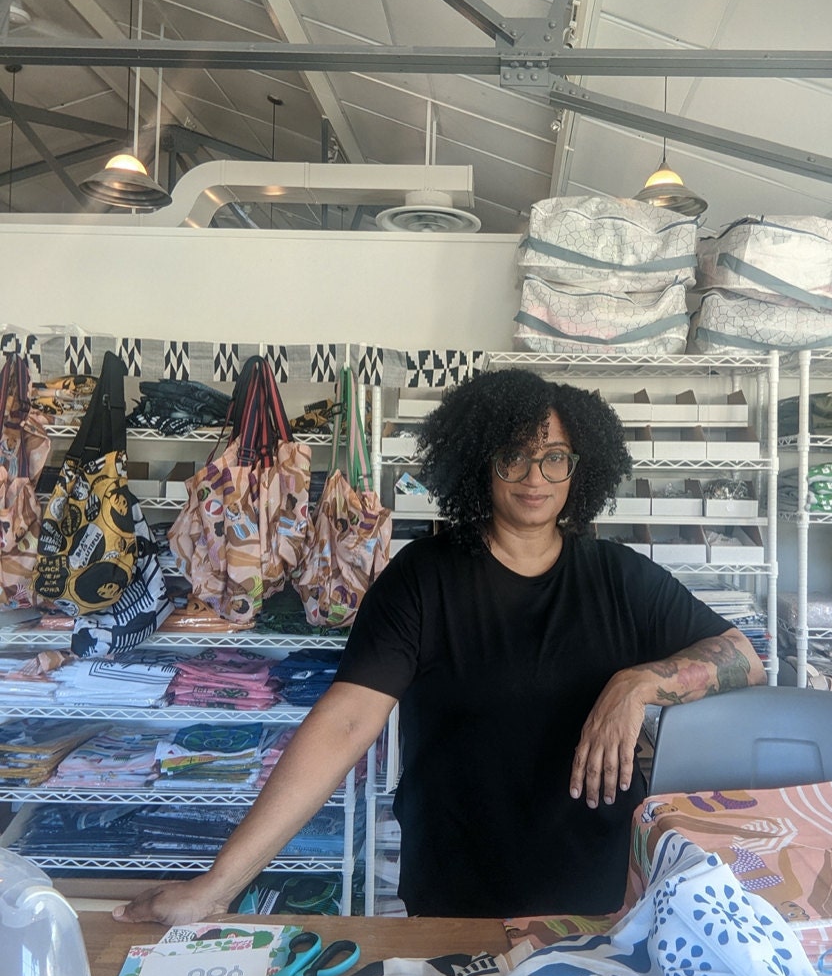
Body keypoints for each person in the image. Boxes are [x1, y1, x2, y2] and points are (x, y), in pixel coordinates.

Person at [115, 369, 765, 925]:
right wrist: (217, 887)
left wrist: (639, 684)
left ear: (578, 468)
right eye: (513, 455)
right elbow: (344, 722)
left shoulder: (621, 578)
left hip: (600, 895)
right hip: (455, 891)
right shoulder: (424, 577)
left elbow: (743, 656)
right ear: (480, 460)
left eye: (555, 457)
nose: (534, 475)